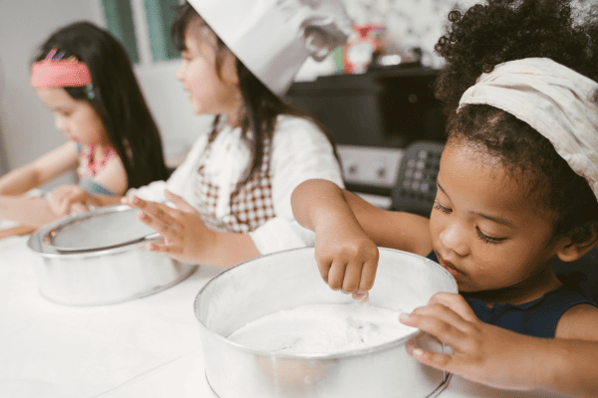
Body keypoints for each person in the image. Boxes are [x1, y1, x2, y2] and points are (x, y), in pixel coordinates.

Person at [291, 0, 598, 396]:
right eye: (443, 205)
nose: (450, 240)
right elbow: (312, 192)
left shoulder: (568, 322)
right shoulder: (426, 246)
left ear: (572, 239)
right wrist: (332, 223)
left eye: (488, 233)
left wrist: (510, 355)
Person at [60, 0, 351, 267]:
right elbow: (171, 196)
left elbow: (308, 234)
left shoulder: (295, 137)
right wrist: (104, 204)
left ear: (236, 65)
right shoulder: (217, 137)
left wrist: (212, 244)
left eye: (188, 58)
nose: (179, 73)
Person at [0, 21, 169, 229]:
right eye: (53, 112)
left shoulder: (125, 159)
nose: (59, 124)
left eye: (66, 112)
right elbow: (36, 172)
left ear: (105, 103)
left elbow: (68, 217)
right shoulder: (88, 147)